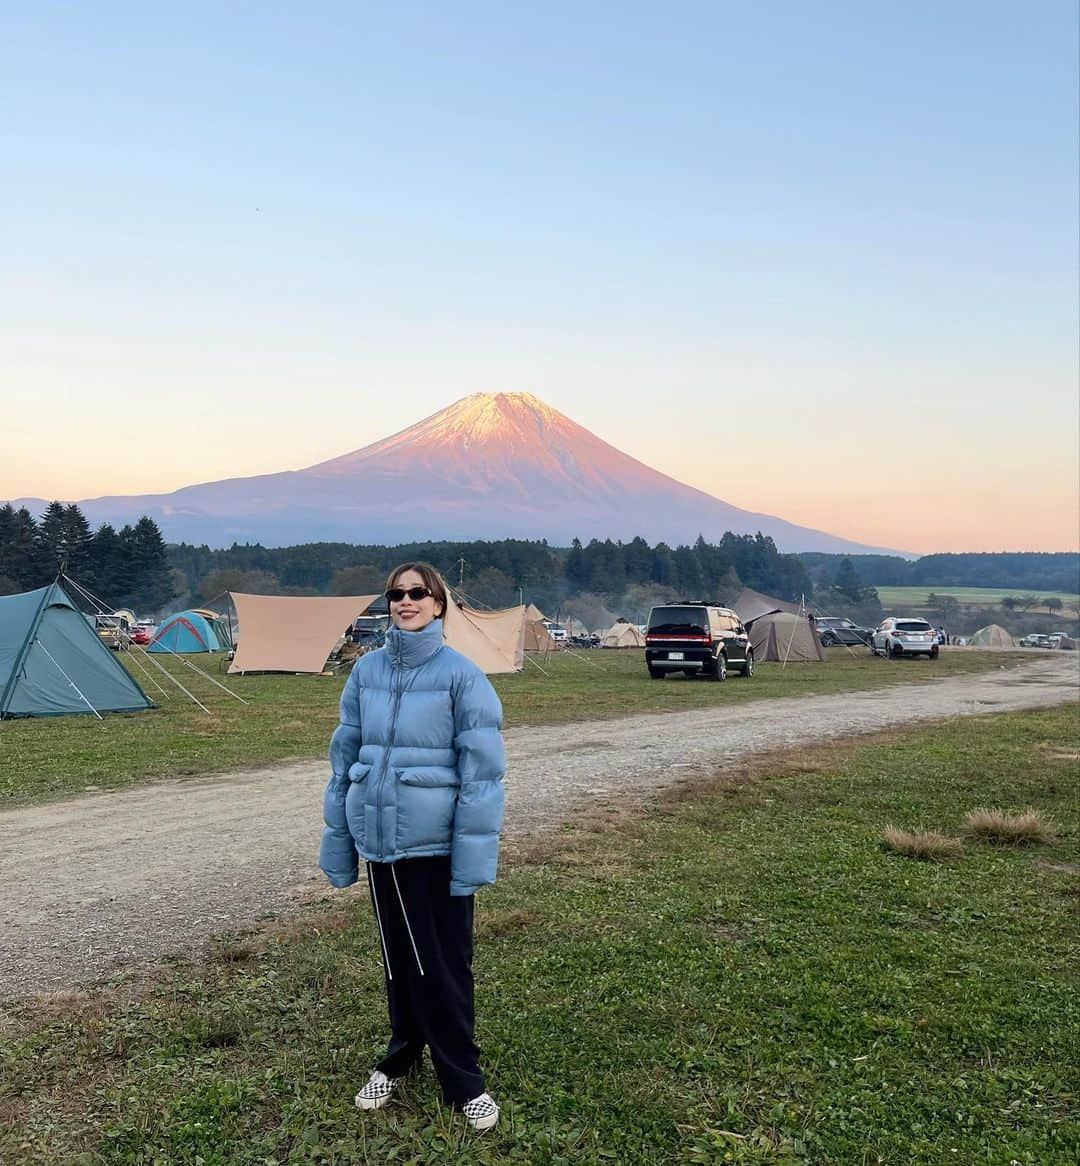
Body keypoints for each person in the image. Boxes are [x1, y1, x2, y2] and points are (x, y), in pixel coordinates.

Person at [319, 562, 505, 1132]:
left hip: (435, 845)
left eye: (417, 593)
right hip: (382, 844)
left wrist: (471, 861)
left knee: (445, 963)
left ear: (439, 604)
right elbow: (343, 757)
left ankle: (464, 1079)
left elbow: (483, 776)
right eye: (396, 594)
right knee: (400, 960)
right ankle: (401, 1055)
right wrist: (340, 841)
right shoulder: (366, 672)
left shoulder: (462, 677)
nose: (405, 601)